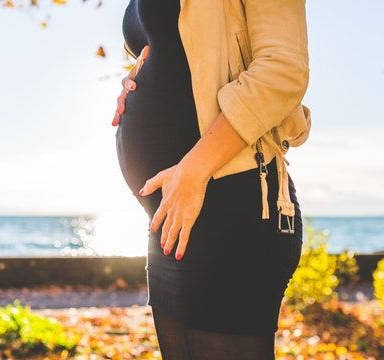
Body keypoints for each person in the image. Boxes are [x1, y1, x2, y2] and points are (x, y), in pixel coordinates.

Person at [112, 0, 311, 359]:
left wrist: (194, 169)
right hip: (170, 217)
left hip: (233, 202)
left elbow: (283, 70)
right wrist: (133, 78)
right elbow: (176, 52)